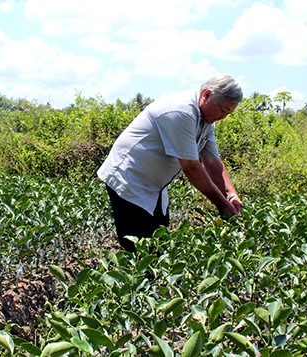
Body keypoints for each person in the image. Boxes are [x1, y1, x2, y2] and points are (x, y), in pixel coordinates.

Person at [97, 74, 243, 252]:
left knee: (160, 243)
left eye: (228, 113)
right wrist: (224, 207)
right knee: (139, 248)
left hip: (155, 186)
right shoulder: (181, 112)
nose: (223, 117)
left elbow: (212, 162)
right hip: (130, 179)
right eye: (222, 110)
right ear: (206, 95)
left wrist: (231, 196)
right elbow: (191, 168)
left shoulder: (207, 122)